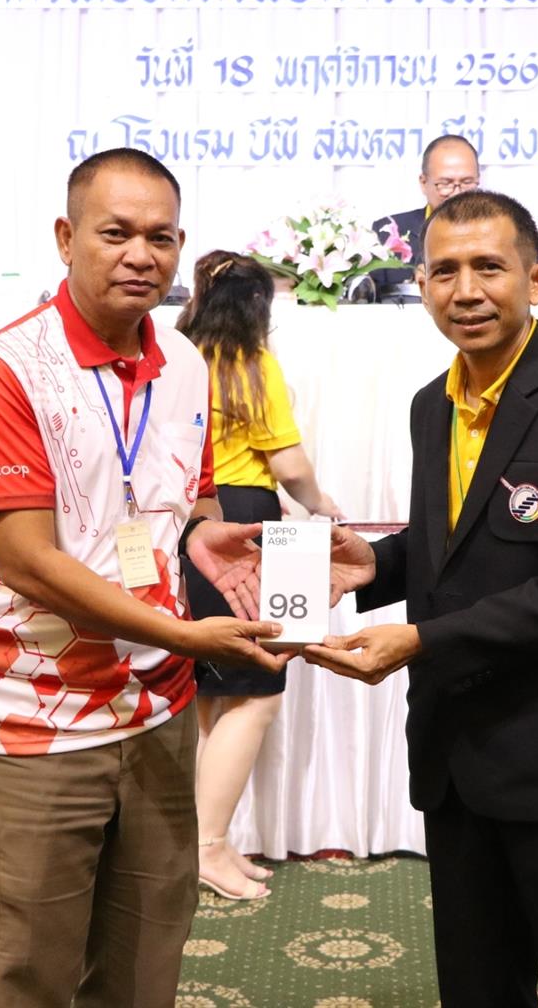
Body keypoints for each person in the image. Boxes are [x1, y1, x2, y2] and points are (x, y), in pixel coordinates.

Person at [0, 147, 284, 1008]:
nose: (141, 255)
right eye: (115, 233)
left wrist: (205, 537)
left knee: (145, 962)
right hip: (35, 713)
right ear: (66, 238)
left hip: (157, 706)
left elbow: (183, 503)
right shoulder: (8, 367)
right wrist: (182, 633)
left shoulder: (186, 365)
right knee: (32, 971)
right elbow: (29, 560)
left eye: (160, 238)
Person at [309, 190, 538, 1007]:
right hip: (454, 757)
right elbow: (456, 547)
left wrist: (420, 641)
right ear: (422, 285)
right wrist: (376, 566)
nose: (466, 291)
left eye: (489, 268)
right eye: (445, 271)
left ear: (537, 279)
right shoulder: (431, 404)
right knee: (476, 988)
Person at [174, 250, 344, 901]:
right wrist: (322, 505)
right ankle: (206, 846)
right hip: (243, 523)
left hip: (186, 524)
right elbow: (289, 464)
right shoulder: (252, 363)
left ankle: (201, 841)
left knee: (210, 694)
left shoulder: (178, 357)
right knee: (258, 691)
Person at [372, 135, 538, 292]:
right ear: (423, 182)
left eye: (467, 182)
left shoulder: (505, 228)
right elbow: (367, 297)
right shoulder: (389, 232)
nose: (457, 193)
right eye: (445, 184)